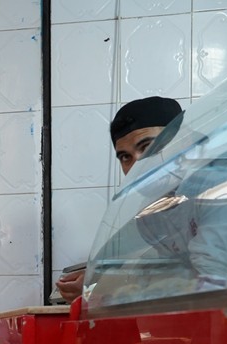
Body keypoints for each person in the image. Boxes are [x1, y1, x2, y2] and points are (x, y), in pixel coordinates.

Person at [57, 96, 184, 303]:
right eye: (126, 157)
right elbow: (167, 271)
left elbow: (212, 275)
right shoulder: (151, 216)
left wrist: (99, 286)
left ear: (181, 140)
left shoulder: (216, 190)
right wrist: (95, 284)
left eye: (148, 147)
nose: (137, 167)